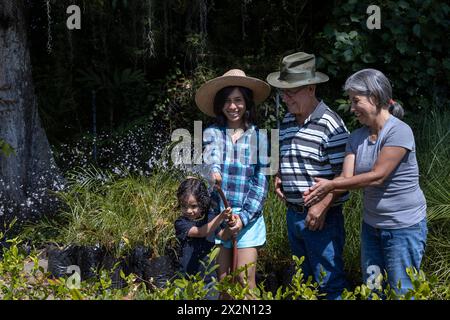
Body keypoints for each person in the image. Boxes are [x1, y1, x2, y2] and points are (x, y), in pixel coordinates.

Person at [303, 68, 427, 296]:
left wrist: (330, 185)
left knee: (403, 291)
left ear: (375, 98)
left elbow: (378, 175)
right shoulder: (356, 137)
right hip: (372, 228)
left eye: (355, 101)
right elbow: (346, 178)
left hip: (404, 228)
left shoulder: (399, 131)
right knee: (372, 290)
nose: (351, 108)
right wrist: (321, 193)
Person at [266, 52, 350, 299]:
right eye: (283, 91)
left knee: (329, 282)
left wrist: (322, 206)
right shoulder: (288, 120)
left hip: (323, 218)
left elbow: (345, 177)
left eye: (291, 91)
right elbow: (285, 155)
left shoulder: (331, 124)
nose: (285, 97)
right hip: (294, 214)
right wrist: (279, 175)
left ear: (311, 88)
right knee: (305, 282)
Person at [195, 69, 270, 290]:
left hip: (249, 218)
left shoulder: (260, 137)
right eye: (227, 101)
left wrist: (243, 217)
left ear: (246, 103)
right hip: (221, 215)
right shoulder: (212, 133)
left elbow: (261, 182)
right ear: (220, 105)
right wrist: (214, 172)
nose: (232, 106)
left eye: (238, 100)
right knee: (224, 282)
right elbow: (212, 158)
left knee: (245, 281)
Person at [174, 177, 233, 280]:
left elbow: (223, 236)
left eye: (193, 206)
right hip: (187, 277)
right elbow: (200, 232)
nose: (188, 211)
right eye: (184, 206)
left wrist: (231, 225)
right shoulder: (181, 223)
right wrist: (221, 217)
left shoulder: (210, 218)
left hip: (209, 277)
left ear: (202, 203)